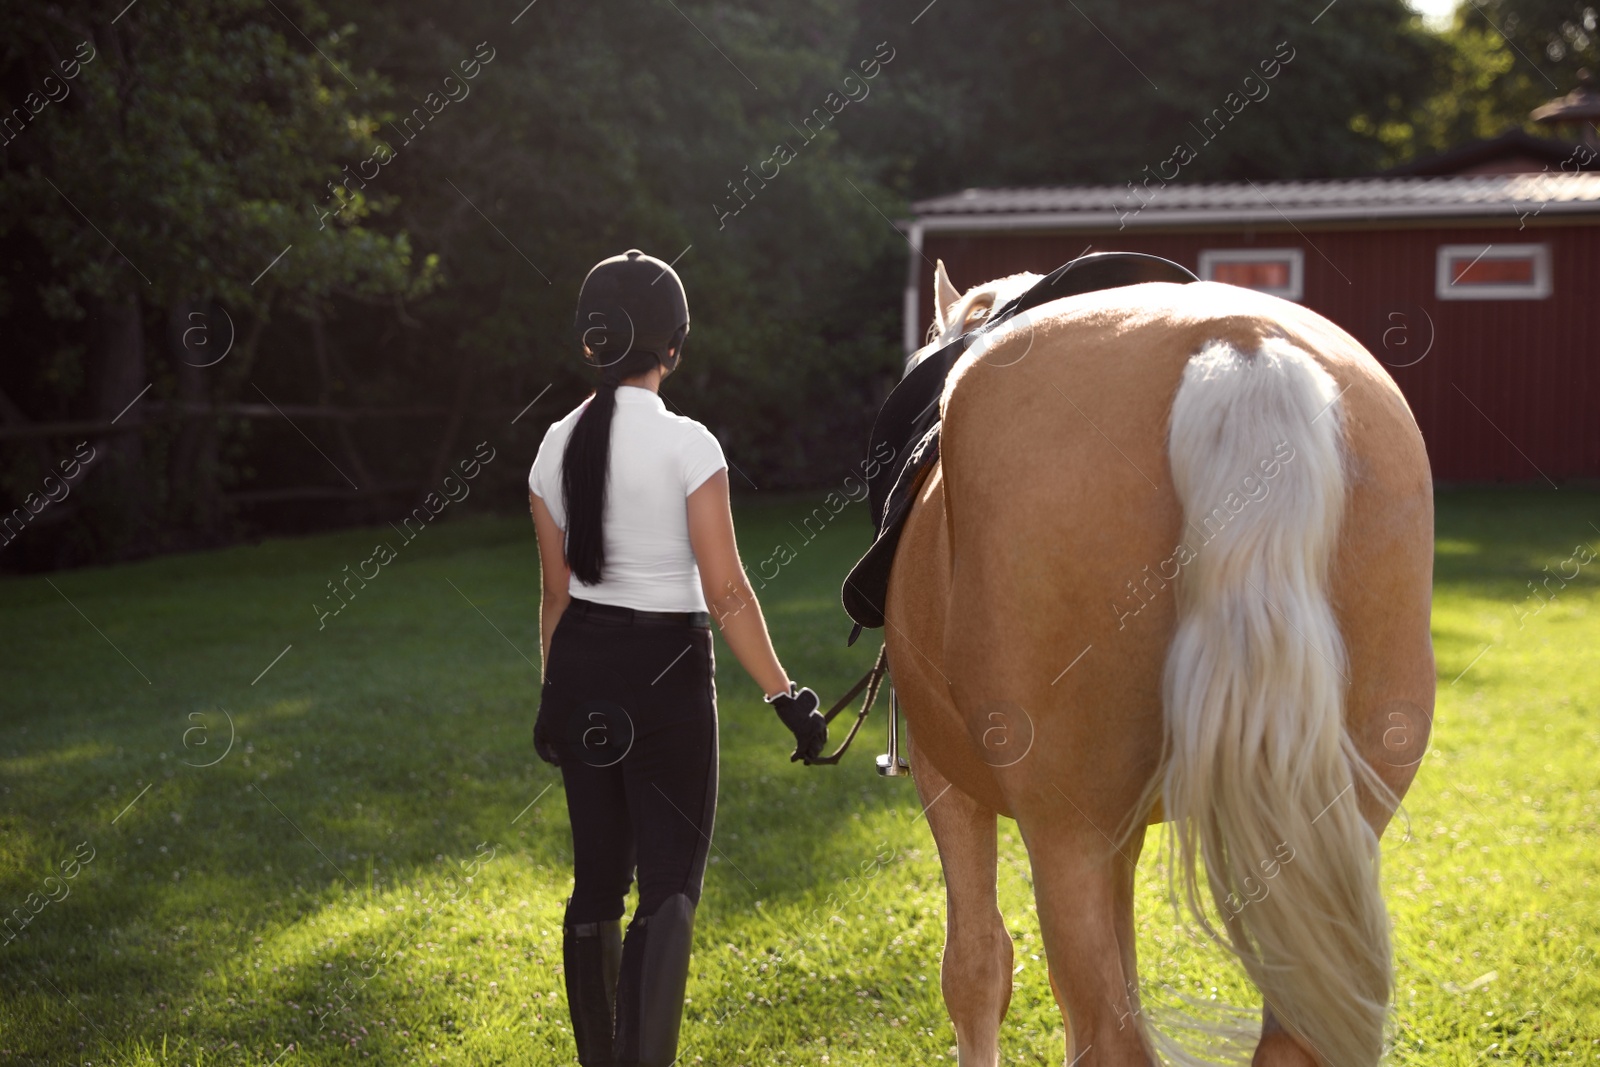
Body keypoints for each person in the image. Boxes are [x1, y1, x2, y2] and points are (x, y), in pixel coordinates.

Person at [528, 249, 828, 1067]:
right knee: (667, 888)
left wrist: (551, 694)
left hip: (582, 668)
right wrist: (784, 697)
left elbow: (555, 599)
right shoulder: (690, 444)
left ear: (592, 341)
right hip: (666, 676)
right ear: (674, 346)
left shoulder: (552, 446)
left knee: (596, 884)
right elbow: (728, 594)